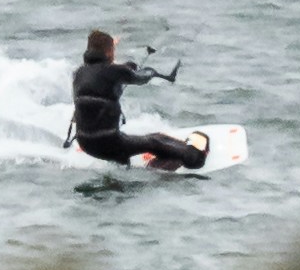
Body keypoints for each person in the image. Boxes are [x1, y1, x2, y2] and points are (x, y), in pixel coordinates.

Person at [71, 29, 206, 170]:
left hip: (85, 143)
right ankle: (194, 157)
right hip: (108, 143)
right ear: (109, 52)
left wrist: (126, 68)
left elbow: (103, 82)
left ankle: (162, 158)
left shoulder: (79, 74)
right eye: (113, 49)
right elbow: (140, 78)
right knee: (154, 142)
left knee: (152, 138)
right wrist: (151, 72)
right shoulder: (114, 72)